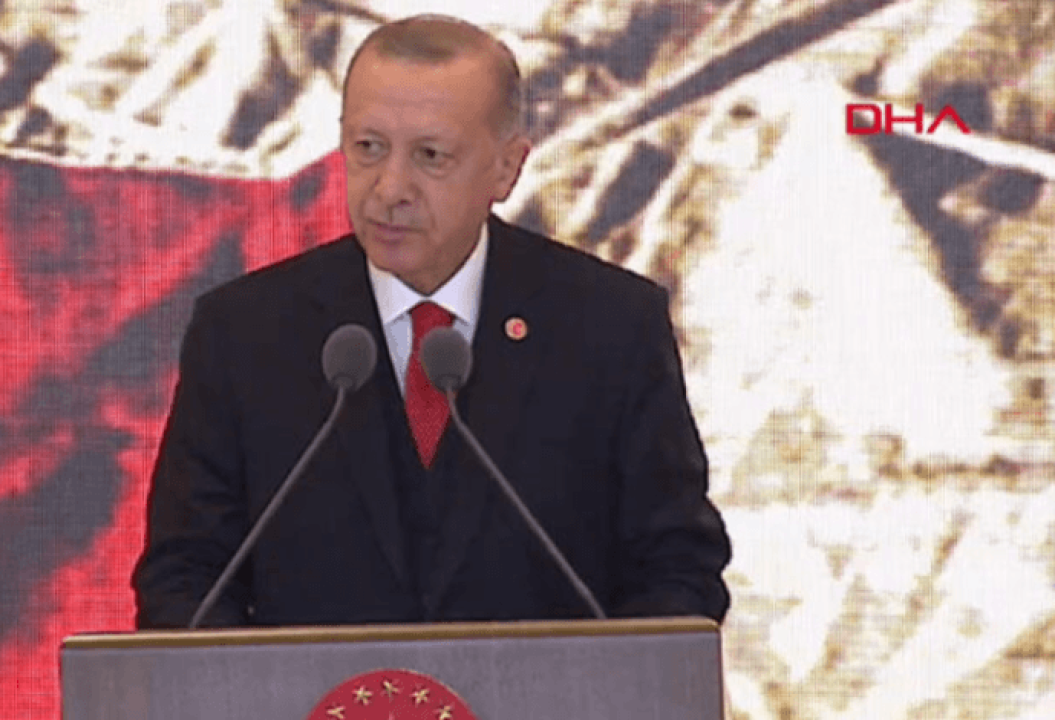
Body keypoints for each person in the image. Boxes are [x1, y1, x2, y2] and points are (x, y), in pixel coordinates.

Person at [132, 14, 731, 628]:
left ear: (506, 169)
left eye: (430, 156)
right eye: (368, 148)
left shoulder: (610, 326)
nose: (390, 187)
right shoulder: (245, 333)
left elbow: (677, 568)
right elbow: (186, 577)